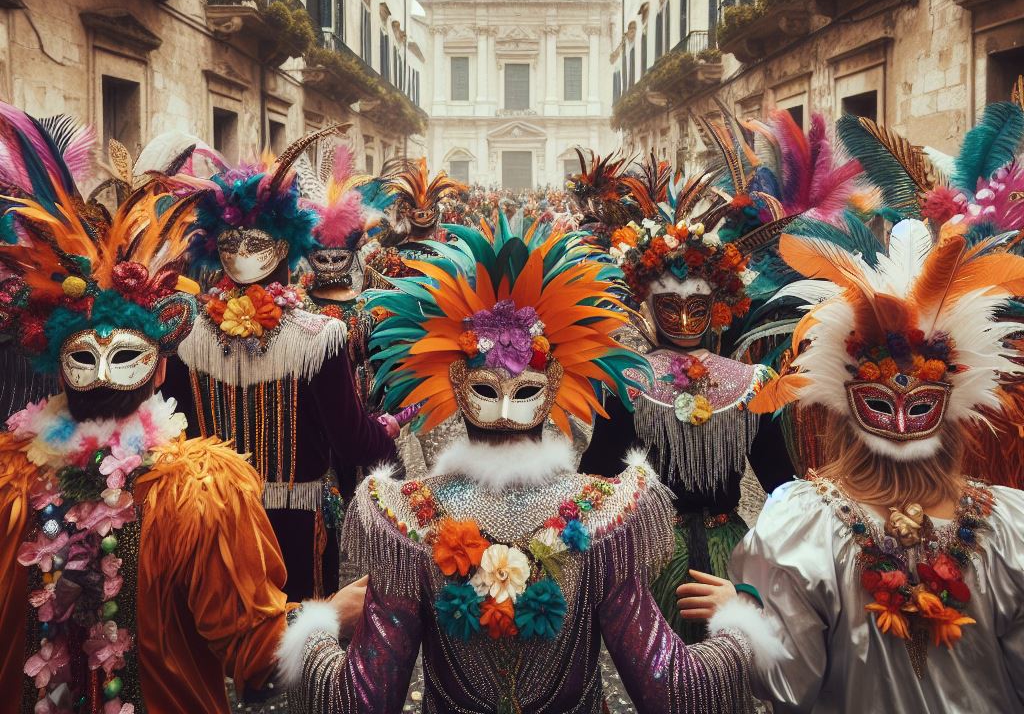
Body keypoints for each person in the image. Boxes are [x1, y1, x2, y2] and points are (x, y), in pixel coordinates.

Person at [277, 218, 761, 714]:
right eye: (489, 389)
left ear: (551, 385)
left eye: (522, 389)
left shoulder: (406, 517)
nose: (506, 408)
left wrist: (315, 626)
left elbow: (361, 700)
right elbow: (673, 689)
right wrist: (740, 626)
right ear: (461, 388)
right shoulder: (600, 515)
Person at [0, 108, 290, 714]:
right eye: (92, 355)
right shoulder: (202, 493)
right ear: (164, 367)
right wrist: (336, 619)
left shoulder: (9, 484)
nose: (106, 368)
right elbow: (258, 656)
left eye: (122, 353)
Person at [680, 218, 1024, 712]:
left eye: (920, 405)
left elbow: (786, 682)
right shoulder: (1010, 526)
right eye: (883, 405)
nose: (902, 422)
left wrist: (739, 618)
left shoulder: (803, 527)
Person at [165, 127, 397, 601]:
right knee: (298, 641)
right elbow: (352, 442)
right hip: (293, 524)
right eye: (238, 244)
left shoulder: (186, 332)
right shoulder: (318, 338)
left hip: (214, 513)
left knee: (228, 630)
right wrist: (388, 430)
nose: (244, 253)